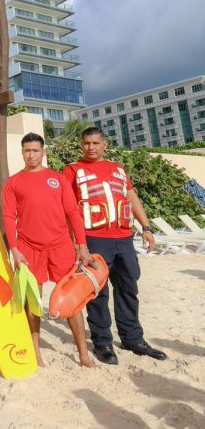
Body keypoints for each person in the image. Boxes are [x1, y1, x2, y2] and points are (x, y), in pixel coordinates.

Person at [62, 127, 168, 365]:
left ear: (105, 145)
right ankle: (103, 343)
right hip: (93, 239)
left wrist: (147, 228)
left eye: (95, 143)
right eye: (86, 143)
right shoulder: (72, 171)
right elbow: (66, 208)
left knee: (128, 287)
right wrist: (77, 244)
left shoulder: (118, 169)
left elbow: (131, 197)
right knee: (96, 292)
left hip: (124, 238)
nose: (91, 147)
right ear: (82, 145)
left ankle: (133, 339)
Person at [3, 132, 94, 368]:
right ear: (22, 152)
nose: (31, 155)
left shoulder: (58, 178)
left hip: (61, 246)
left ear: (43, 152)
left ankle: (83, 354)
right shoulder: (13, 182)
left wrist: (82, 246)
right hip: (28, 247)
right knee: (33, 301)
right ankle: (36, 353)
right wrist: (13, 249)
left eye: (35, 150)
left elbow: (73, 213)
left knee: (72, 299)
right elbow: (8, 217)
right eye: (27, 150)